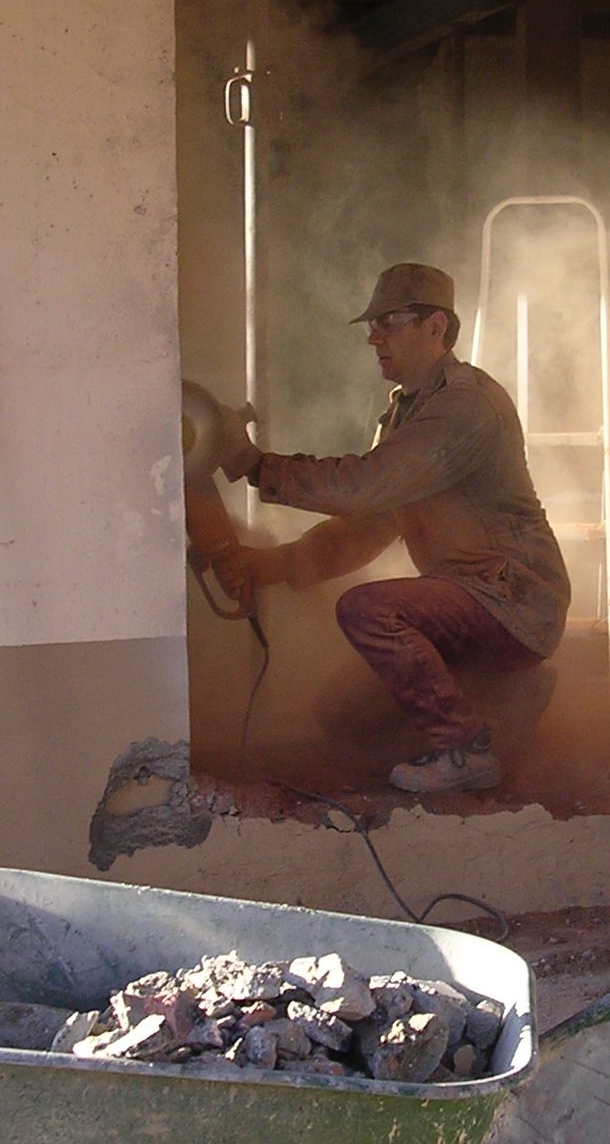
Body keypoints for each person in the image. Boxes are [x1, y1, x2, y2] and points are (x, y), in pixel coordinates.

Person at [213, 263, 569, 794]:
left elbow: (364, 487)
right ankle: (505, 698)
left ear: (436, 328)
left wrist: (255, 464)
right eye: (372, 326)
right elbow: (370, 525)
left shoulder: (465, 407)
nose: (375, 337)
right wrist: (278, 565)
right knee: (341, 715)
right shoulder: (407, 414)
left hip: (512, 599)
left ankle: (466, 750)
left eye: (390, 321)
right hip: (474, 602)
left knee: (368, 610)